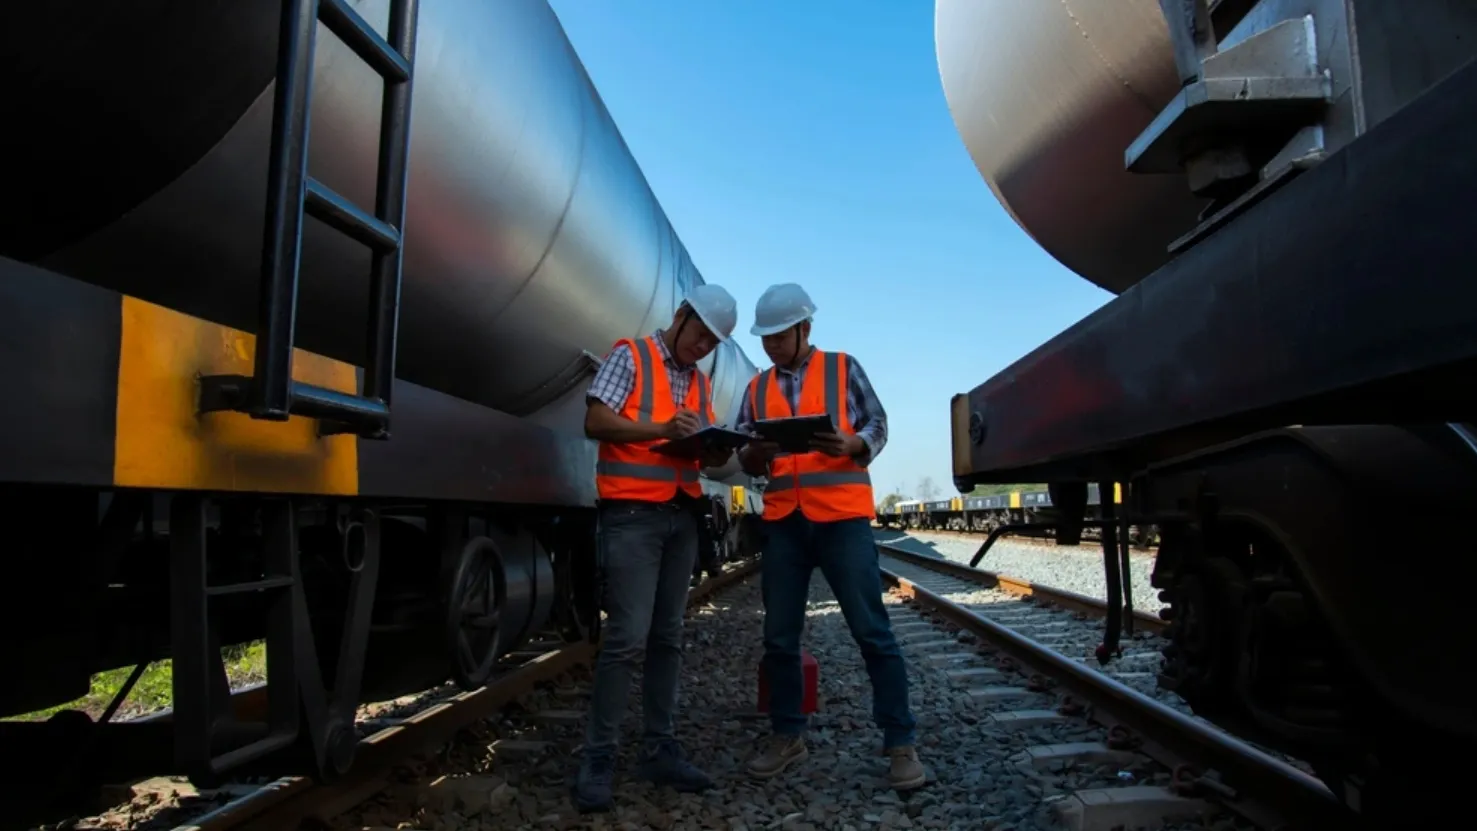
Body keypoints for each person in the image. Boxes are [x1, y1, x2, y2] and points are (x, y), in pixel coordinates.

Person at [736, 283, 925, 790]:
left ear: (805, 329)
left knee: (872, 632)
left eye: (779, 335)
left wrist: (853, 442)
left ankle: (900, 743)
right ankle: (787, 735)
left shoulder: (843, 368)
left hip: (842, 521)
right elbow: (745, 456)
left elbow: (878, 422)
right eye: (765, 338)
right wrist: (756, 451)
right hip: (783, 524)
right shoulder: (756, 389)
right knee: (779, 637)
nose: (771, 345)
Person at [572, 284, 740, 813]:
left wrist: (712, 448)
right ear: (682, 315)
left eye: (712, 343)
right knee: (626, 637)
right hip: (632, 516)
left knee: (668, 636)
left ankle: (659, 749)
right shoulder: (632, 355)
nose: (702, 348)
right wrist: (660, 430)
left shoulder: (699, 383)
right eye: (700, 335)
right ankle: (598, 758)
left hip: (680, 516)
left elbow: (700, 458)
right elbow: (595, 420)